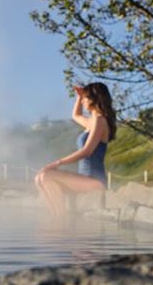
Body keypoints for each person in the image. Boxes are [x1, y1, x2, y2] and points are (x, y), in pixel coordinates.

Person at [35, 82, 116, 216]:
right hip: (83, 178)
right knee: (39, 178)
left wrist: (56, 163)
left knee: (46, 175)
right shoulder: (92, 121)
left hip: (95, 181)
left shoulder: (100, 121)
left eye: (85, 98)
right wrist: (78, 97)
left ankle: (60, 221)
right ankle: (57, 218)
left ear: (93, 99)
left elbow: (87, 151)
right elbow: (76, 115)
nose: (83, 101)